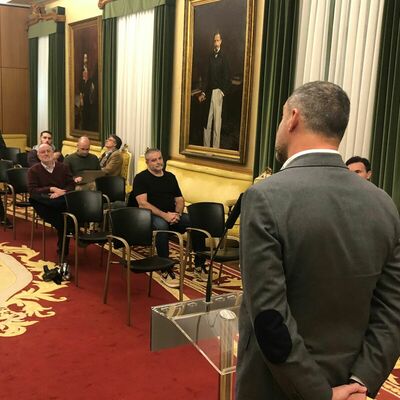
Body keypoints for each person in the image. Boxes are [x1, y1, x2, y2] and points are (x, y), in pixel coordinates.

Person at [236, 81, 400, 400]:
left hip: (278, 387)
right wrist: (361, 381)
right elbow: (393, 310)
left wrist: (319, 394)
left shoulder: (265, 197)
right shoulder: (383, 203)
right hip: (352, 383)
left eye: (281, 116)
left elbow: (270, 318)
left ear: (293, 118)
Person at [128, 148, 207, 288]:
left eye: (160, 158)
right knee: (162, 226)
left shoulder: (170, 176)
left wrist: (177, 214)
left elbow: (180, 199)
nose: (158, 162)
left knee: (196, 222)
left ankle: (199, 266)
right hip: (150, 216)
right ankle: (165, 269)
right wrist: (165, 216)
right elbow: (143, 203)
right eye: (154, 160)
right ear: (147, 162)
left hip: (172, 214)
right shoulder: (141, 178)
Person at [28, 144, 75, 276]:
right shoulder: (33, 170)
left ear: (53, 153)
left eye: (48, 151)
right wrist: (51, 189)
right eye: (42, 152)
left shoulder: (63, 167)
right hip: (44, 202)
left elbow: (71, 184)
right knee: (65, 221)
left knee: (64, 221)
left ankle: (63, 253)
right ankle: (73, 231)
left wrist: (61, 192)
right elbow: (32, 190)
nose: (46, 154)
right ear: (38, 156)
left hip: (61, 199)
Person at [198, 32, 231, 148]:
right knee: (207, 122)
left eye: (218, 40)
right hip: (208, 92)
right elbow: (206, 76)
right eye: (214, 41)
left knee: (217, 123)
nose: (216, 43)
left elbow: (227, 77)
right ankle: (206, 147)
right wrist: (203, 92)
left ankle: (215, 148)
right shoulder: (209, 56)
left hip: (218, 93)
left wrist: (222, 92)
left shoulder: (224, 57)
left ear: (221, 41)